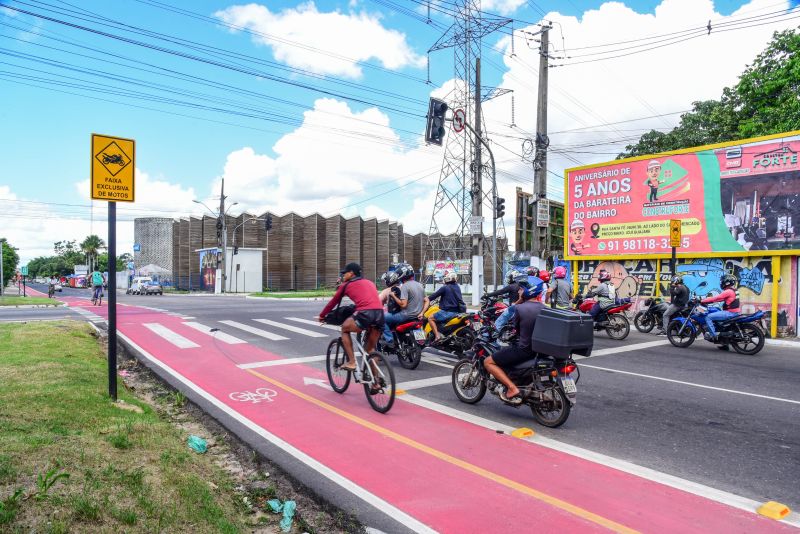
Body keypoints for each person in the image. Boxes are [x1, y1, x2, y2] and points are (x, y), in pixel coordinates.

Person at [483, 278, 545, 405]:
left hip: (524, 350)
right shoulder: (545, 308)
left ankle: (512, 388)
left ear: (529, 291)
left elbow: (514, 328)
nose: (519, 291)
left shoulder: (520, 309)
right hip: (540, 350)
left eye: (521, 289)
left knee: (488, 362)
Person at [318, 263, 384, 372]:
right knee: (370, 350)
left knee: (345, 328)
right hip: (380, 314)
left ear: (352, 273)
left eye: (345, 273)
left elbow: (333, 302)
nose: (343, 275)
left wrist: (322, 315)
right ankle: (376, 383)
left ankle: (352, 362)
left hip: (365, 313)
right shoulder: (370, 282)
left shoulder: (346, 285)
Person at [427, 272, 465, 342]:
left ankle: (437, 336)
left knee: (430, 318)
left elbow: (432, 296)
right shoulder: (457, 287)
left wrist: (426, 299)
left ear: (447, 279)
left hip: (448, 312)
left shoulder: (444, 288)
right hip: (457, 312)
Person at [700, 274, 740, 341]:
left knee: (708, 317)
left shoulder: (728, 291)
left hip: (730, 313)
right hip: (735, 312)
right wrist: (708, 301)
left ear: (726, 282)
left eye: (722, 281)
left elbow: (716, 298)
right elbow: (720, 299)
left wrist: (702, 300)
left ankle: (713, 335)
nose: (721, 283)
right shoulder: (734, 290)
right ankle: (723, 341)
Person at [380, 269, 407, 348]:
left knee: (381, 319)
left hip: (399, 315)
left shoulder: (387, 291)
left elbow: (378, 302)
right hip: (410, 314)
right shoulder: (404, 287)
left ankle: (389, 339)